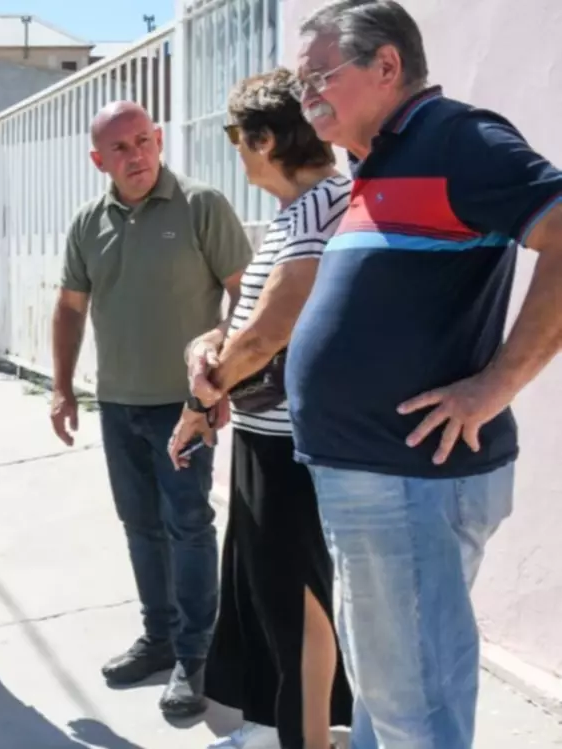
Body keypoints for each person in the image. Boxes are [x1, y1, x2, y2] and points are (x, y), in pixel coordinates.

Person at [286, 2, 562, 747]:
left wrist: (496, 385)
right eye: (299, 83)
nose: (305, 97)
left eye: (318, 77)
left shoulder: (455, 139)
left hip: (404, 478)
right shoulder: (372, 167)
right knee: (389, 691)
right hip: (376, 476)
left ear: (386, 65)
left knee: (415, 706)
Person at [168, 68, 352, 749]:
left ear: (265, 139)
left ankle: (307, 740)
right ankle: (281, 731)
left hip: (290, 441)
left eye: (236, 135)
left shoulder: (322, 204)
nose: (235, 150)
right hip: (264, 431)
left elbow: (272, 327)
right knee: (266, 594)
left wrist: (202, 394)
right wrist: (207, 345)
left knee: (294, 600)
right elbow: (245, 319)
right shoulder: (297, 212)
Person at [50, 100, 252, 717]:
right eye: (120, 148)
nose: (135, 155)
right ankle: (159, 637)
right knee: (139, 524)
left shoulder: (201, 206)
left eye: (142, 141)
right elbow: (70, 307)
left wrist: (219, 385)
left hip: (183, 407)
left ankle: (196, 653)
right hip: (118, 403)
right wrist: (62, 387)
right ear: (98, 160)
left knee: (187, 523)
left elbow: (246, 300)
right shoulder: (88, 223)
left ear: (159, 139)